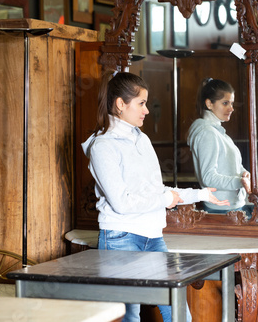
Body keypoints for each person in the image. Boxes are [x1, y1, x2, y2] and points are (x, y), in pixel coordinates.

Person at [82, 71, 229, 322]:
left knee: (180, 315)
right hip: (120, 238)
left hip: (153, 236)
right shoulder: (103, 145)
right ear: (120, 104)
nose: (147, 110)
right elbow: (122, 203)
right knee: (129, 317)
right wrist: (164, 199)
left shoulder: (142, 139)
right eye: (141, 103)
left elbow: (157, 190)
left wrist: (199, 194)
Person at [187, 78, 252, 214]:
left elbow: (230, 165)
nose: (231, 108)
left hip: (229, 206)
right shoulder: (207, 133)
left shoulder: (219, 132)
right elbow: (208, 177)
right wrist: (239, 182)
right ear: (209, 104)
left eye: (232, 103)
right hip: (221, 208)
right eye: (225, 103)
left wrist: (243, 173)